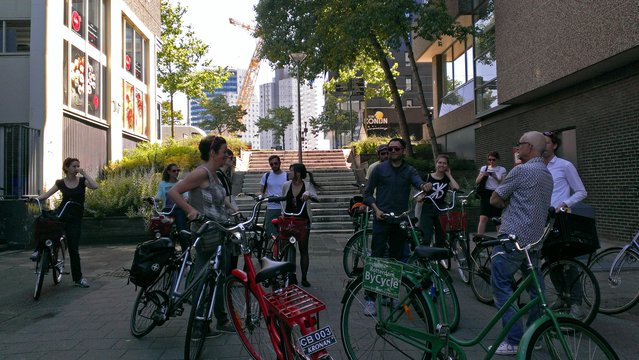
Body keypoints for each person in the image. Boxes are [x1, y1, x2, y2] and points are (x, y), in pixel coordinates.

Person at [489, 131, 553, 355]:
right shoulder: (546, 173)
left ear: (530, 147)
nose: (517, 148)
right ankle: (534, 335)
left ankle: (514, 340)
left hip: (512, 239)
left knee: (501, 285)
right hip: (534, 242)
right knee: (537, 290)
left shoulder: (521, 171)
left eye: (520, 145)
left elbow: (495, 198)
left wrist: (507, 203)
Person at [167, 135, 237, 336]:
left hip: (220, 231)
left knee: (220, 276)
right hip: (207, 234)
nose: (226, 155)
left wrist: (234, 210)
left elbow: (220, 199)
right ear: (213, 152)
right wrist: (189, 210)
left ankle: (219, 319)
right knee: (203, 278)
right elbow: (173, 192)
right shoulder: (201, 172)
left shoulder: (214, 174)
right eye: (223, 151)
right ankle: (199, 324)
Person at [363, 138, 430, 315]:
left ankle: (388, 296)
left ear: (403, 151)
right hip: (382, 219)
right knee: (377, 259)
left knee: (395, 261)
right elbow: (368, 194)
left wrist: (424, 186)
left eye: (396, 149)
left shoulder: (409, 170)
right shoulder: (379, 169)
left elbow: (418, 183)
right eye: (390, 149)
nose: (393, 151)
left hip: (400, 220)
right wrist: (376, 209)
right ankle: (370, 298)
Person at [32, 157, 99, 288]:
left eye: (78, 166)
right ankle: (38, 251)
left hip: (75, 218)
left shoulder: (82, 181)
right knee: (46, 228)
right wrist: (35, 200)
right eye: (74, 166)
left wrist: (84, 173)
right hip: (62, 214)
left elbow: (95, 186)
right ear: (67, 168)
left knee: (73, 248)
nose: (76, 169)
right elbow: (46, 195)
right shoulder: (61, 183)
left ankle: (78, 279)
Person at [543, 131, 588, 319]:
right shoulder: (536, 167)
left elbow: (581, 192)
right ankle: (562, 297)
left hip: (561, 219)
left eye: (546, 142)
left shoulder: (564, 165)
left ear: (554, 145)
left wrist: (565, 204)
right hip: (542, 220)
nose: (542, 146)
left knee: (567, 262)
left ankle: (577, 303)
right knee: (551, 261)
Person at [280, 163, 319, 287]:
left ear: (297, 173)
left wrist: (309, 195)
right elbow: (282, 200)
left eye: (291, 171)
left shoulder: (307, 185)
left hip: (303, 221)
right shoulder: (286, 185)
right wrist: (282, 214)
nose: (288, 173)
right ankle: (290, 276)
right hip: (288, 220)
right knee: (289, 249)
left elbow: (316, 197)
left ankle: (304, 277)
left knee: (303, 249)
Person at [417, 154, 460, 247]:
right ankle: (425, 257)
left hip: (441, 207)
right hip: (427, 207)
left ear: (447, 166)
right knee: (426, 235)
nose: (442, 165)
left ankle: (438, 257)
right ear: (436, 164)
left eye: (444, 163)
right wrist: (420, 198)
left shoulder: (446, 179)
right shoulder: (427, 177)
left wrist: (449, 175)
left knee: (441, 235)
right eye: (440, 162)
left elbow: (456, 188)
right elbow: (419, 194)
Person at [475, 151, 507, 235]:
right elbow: (477, 181)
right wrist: (483, 175)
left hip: (497, 193)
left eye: (493, 160)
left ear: (497, 160)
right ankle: (479, 238)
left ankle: (501, 239)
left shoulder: (501, 169)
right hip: (486, 193)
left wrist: (495, 177)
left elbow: (504, 183)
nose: (491, 162)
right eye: (489, 160)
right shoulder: (484, 168)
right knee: (483, 217)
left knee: (497, 218)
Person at [260, 155, 288, 240]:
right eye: (271, 164)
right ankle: (270, 251)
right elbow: (261, 191)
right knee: (271, 233)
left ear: (280, 163)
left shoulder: (286, 176)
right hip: (271, 207)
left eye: (275, 163)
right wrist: (261, 197)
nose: (274, 166)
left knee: (285, 233)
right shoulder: (267, 175)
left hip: (284, 208)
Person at [156, 163, 187, 232]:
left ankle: (184, 241)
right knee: (161, 229)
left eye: (178, 170)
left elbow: (186, 195)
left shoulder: (181, 183)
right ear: (168, 172)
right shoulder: (162, 184)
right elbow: (159, 195)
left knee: (182, 230)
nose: (176, 172)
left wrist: (186, 199)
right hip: (167, 209)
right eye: (174, 171)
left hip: (179, 209)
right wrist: (154, 200)